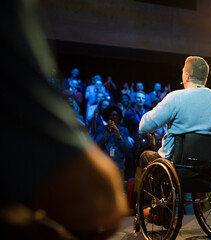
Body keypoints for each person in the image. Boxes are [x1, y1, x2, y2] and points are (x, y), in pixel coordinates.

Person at [0, 1, 128, 239]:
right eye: (110, 116)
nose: (113, 118)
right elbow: (100, 195)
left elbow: (128, 148)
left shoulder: (122, 129)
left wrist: (118, 135)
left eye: (114, 116)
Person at [139, 56, 211, 170]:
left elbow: (144, 126)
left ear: (186, 76)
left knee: (145, 156)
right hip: (206, 165)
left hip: (175, 164)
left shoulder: (175, 97)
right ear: (205, 78)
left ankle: (156, 188)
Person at [95, 105, 131, 177]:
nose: (114, 117)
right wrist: (107, 133)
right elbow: (97, 145)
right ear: (107, 117)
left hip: (118, 164)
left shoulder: (123, 130)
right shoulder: (101, 129)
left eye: (116, 115)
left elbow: (126, 149)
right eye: (112, 115)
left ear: (119, 117)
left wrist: (119, 137)